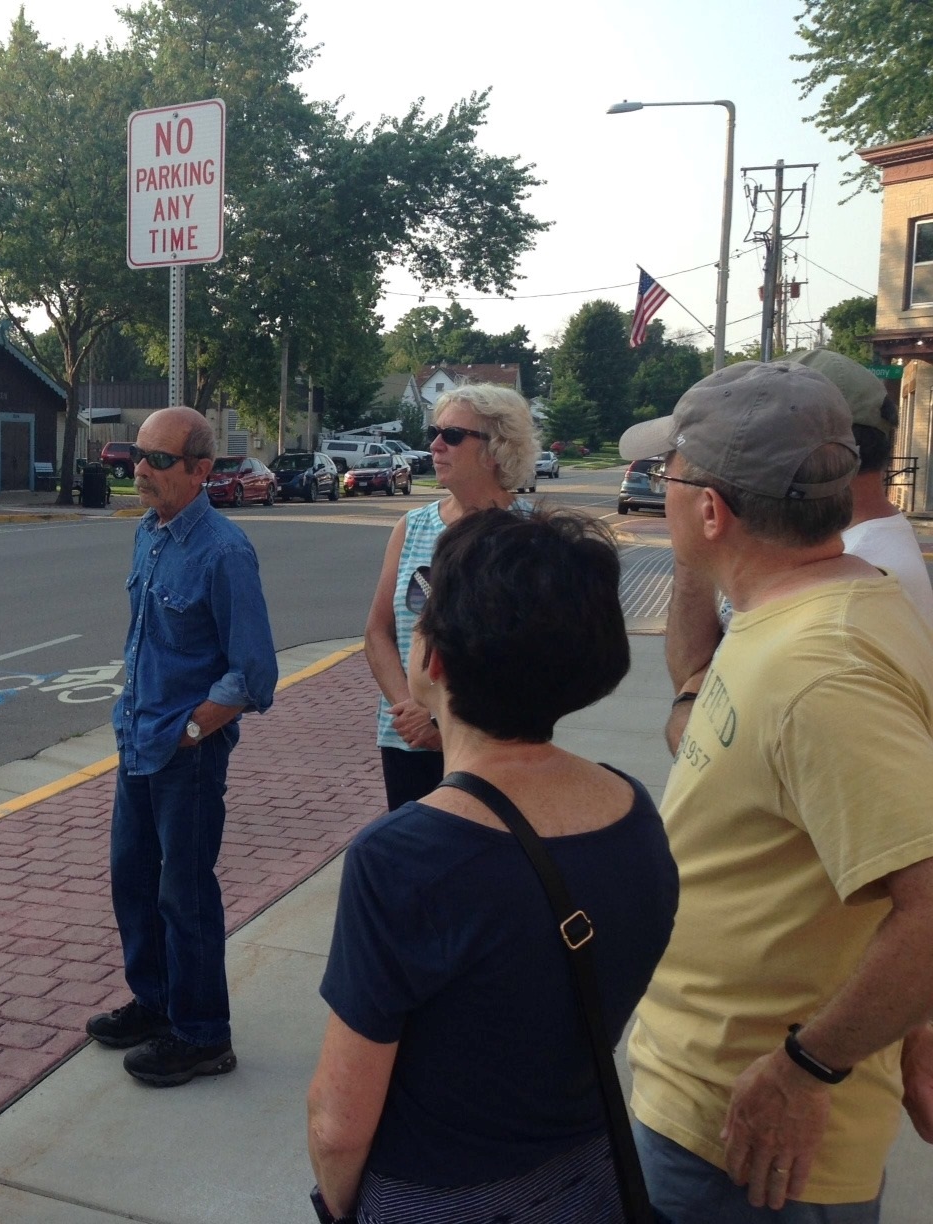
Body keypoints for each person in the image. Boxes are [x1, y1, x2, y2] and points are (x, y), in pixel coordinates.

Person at [617, 360, 933, 1220]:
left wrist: (808, 1069)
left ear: (713, 509)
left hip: (756, 1148)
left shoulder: (820, 670)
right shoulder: (805, 610)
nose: (657, 489)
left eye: (670, 477)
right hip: (710, 1106)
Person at [307, 507, 678, 1224]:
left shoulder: (404, 859)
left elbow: (337, 1124)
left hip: (439, 1198)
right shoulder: (632, 811)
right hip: (590, 1183)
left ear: (435, 661)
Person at [84, 406, 278, 1087]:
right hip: (137, 738)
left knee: (184, 893)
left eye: (159, 459)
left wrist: (193, 731)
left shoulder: (224, 551)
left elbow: (254, 673)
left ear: (201, 470)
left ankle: (201, 1035)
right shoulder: (149, 533)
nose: (140, 469)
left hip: (185, 755)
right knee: (131, 880)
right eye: (137, 455)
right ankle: (155, 1004)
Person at [654, 347, 933, 754]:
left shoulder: (851, 591)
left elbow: (703, 731)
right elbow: (698, 677)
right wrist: (695, 541)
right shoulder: (821, 561)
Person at [363, 384, 538, 812]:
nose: (435, 445)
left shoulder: (531, 537)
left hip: (492, 748)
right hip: (406, 740)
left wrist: (443, 721)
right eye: (435, 432)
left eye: (453, 436)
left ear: (496, 449)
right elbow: (378, 633)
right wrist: (411, 708)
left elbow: (531, 659)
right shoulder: (412, 526)